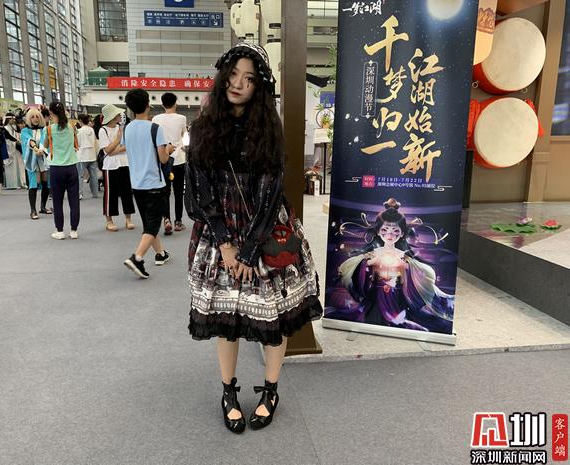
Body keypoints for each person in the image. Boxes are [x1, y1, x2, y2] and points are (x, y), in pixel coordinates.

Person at [185, 42, 323, 433]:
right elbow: (198, 190)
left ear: (259, 86)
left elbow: (272, 192)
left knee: (273, 319)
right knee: (225, 320)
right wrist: (226, 244)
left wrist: (247, 251)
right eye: (233, 75)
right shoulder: (203, 127)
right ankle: (228, 392)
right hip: (219, 236)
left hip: (264, 233)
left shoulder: (268, 129)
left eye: (248, 78)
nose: (238, 84)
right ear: (222, 77)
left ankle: (271, 390)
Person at [337, 198, 454, 333]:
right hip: (376, 297)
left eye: (395, 231)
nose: (390, 235)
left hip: (397, 298)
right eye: (385, 230)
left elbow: (428, 273)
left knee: (406, 323)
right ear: (378, 231)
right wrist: (369, 263)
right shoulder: (372, 254)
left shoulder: (403, 257)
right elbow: (345, 268)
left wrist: (406, 266)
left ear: (402, 233)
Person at [122, 89, 174, 278]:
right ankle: (137, 258)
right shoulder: (155, 128)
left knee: (148, 223)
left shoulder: (127, 128)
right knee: (152, 225)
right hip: (154, 183)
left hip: (136, 184)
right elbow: (163, 158)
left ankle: (160, 253)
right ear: (147, 105)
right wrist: (169, 149)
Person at [43, 101, 80, 240]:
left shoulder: (49, 129)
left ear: (51, 113)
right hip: (72, 167)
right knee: (74, 200)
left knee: (57, 201)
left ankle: (60, 231)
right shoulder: (71, 127)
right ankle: (74, 230)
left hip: (56, 168)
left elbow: (46, 145)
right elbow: (76, 143)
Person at [152, 92, 188, 234]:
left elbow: (155, 138)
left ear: (162, 104)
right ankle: (178, 221)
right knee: (179, 192)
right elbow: (184, 136)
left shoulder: (156, 119)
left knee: (165, 192)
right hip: (179, 159)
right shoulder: (182, 118)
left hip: (163, 159)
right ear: (175, 104)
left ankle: (166, 219)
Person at [99, 104, 135, 232]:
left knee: (127, 192)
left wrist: (115, 148)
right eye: (118, 114)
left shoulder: (122, 128)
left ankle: (128, 219)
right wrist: (118, 140)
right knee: (110, 193)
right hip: (110, 166)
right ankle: (109, 221)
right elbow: (107, 151)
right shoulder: (103, 130)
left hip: (124, 163)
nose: (120, 116)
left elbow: (128, 146)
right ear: (112, 116)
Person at [21, 109, 51, 219]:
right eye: (33, 117)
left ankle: (43, 207)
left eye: (37, 116)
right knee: (34, 184)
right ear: (29, 119)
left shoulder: (44, 129)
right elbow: (28, 140)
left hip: (43, 159)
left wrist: (41, 150)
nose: (35, 119)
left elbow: (44, 140)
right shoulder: (25, 130)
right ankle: (33, 210)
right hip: (32, 160)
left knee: (46, 183)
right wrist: (35, 148)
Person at [76, 114, 99, 199]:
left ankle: (80, 193)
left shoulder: (79, 131)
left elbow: (77, 144)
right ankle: (95, 193)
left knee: (80, 176)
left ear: (80, 121)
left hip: (82, 156)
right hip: (92, 155)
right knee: (93, 176)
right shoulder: (91, 130)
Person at [2, 113, 27, 189]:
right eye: (12, 119)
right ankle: (12, 184)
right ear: (8, 119)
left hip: (16, 150)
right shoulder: (5, 128)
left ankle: (21, 182)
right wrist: (16, 142)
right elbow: (7, 140)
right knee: (12, 167)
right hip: (10, 150)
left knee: (20, 166)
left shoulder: (13, 127)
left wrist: (17, 141)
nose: (13, 120)